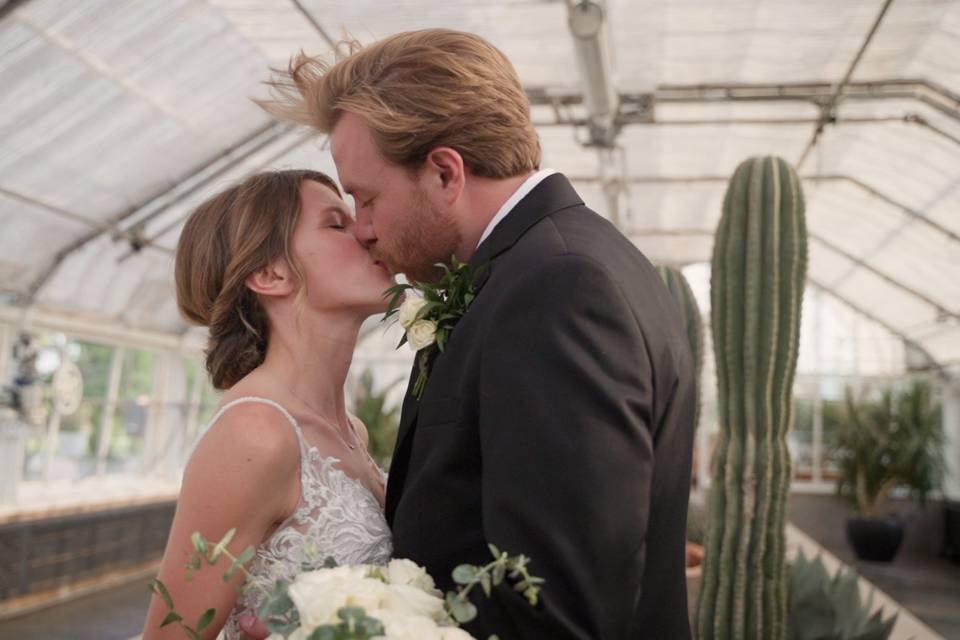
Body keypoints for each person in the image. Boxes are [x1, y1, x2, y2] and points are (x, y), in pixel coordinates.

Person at [256, 28, 698, 639]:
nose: (361, 229)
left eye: (366, 198)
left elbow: (557, 616)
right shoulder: (542, 270)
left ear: (444, 173)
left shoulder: (558, 290)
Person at [141, 169, 395, 639]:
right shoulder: (255, 433)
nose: (366, 230)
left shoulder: (352, 432)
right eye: (336, 224)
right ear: (270, 274)